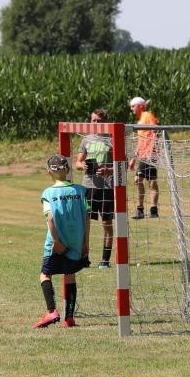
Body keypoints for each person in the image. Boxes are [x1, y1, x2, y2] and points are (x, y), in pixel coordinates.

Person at [35, 153, 90, 329]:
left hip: (56, 243)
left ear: (49, 172)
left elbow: (50, 219)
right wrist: (85, 243)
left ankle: (51, 311)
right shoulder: (81, 191)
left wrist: (56, 241)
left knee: (45, 274)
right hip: (77, 241)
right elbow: (87, 218)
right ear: (67, 170)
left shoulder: (48, 193)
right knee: (70, 275)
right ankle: (70, 318)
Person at [80, 108, 115, 268]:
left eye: (99, 121)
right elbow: (77, 162)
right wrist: (84, 166)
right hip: (89, 186)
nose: (95, 123)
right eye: (93, 120)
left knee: (107, 224)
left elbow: (122, 165)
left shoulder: (113, 139)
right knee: (85, 223)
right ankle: (84, 257)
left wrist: (107, 170)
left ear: (105, 122)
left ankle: (105, 260)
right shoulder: (86, 139)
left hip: (107, 187)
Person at [128, 96, 160, 220]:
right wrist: (134, 159)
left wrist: (152, 151)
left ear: (140, 106)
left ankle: (150, 210)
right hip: (143, 155)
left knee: (147, 181)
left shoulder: (147, 116)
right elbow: (140, 142)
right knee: (141, 180)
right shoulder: (140, 121)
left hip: (150, 154)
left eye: (133, 106)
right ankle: (147, 210)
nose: (131, 109)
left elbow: (155, 132)